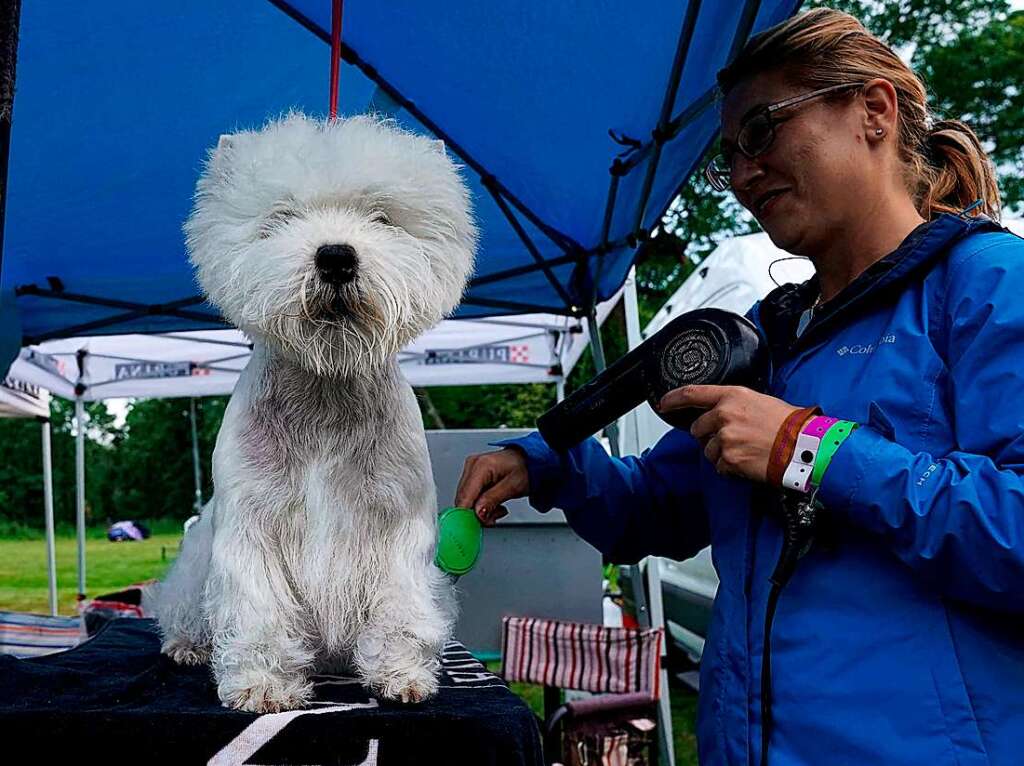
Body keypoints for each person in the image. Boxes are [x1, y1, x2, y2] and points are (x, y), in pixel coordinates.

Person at [454, 8, 1024, 766]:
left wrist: (806, 448)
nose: (743, 176)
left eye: (763, 131)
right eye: (729, 159)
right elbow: (655, 512)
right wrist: (552, 464)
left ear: (874, 112)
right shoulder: (769, 334)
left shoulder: (987, 285)